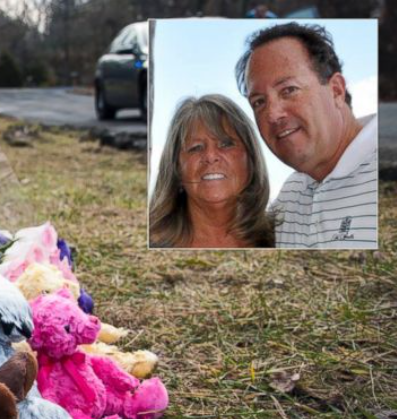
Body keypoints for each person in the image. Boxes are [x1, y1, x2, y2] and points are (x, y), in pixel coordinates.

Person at [236, 22, 378, 249]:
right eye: (259, 102)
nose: (273, 114)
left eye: (289, 90)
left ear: (336, 90)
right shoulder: (291, 194)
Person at [150, 94, 275, 248]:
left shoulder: (284, 237)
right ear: (176, 169)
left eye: (226, 144)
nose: (210, 156)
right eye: (196, 148)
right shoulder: (151, 243)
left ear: (251, 159)